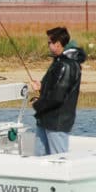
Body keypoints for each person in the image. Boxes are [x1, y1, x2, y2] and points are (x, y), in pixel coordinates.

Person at [30, 26, 86, 155]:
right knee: (39, 157)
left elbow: (57, 96)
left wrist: (38, 104)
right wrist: (41, 86)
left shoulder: (66, 65)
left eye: (49, 42)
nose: (48, 45)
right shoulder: (59, 62)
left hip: (57, 122)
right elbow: (55, 85)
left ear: (58, 44)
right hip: (45, 119)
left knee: (58, 159)